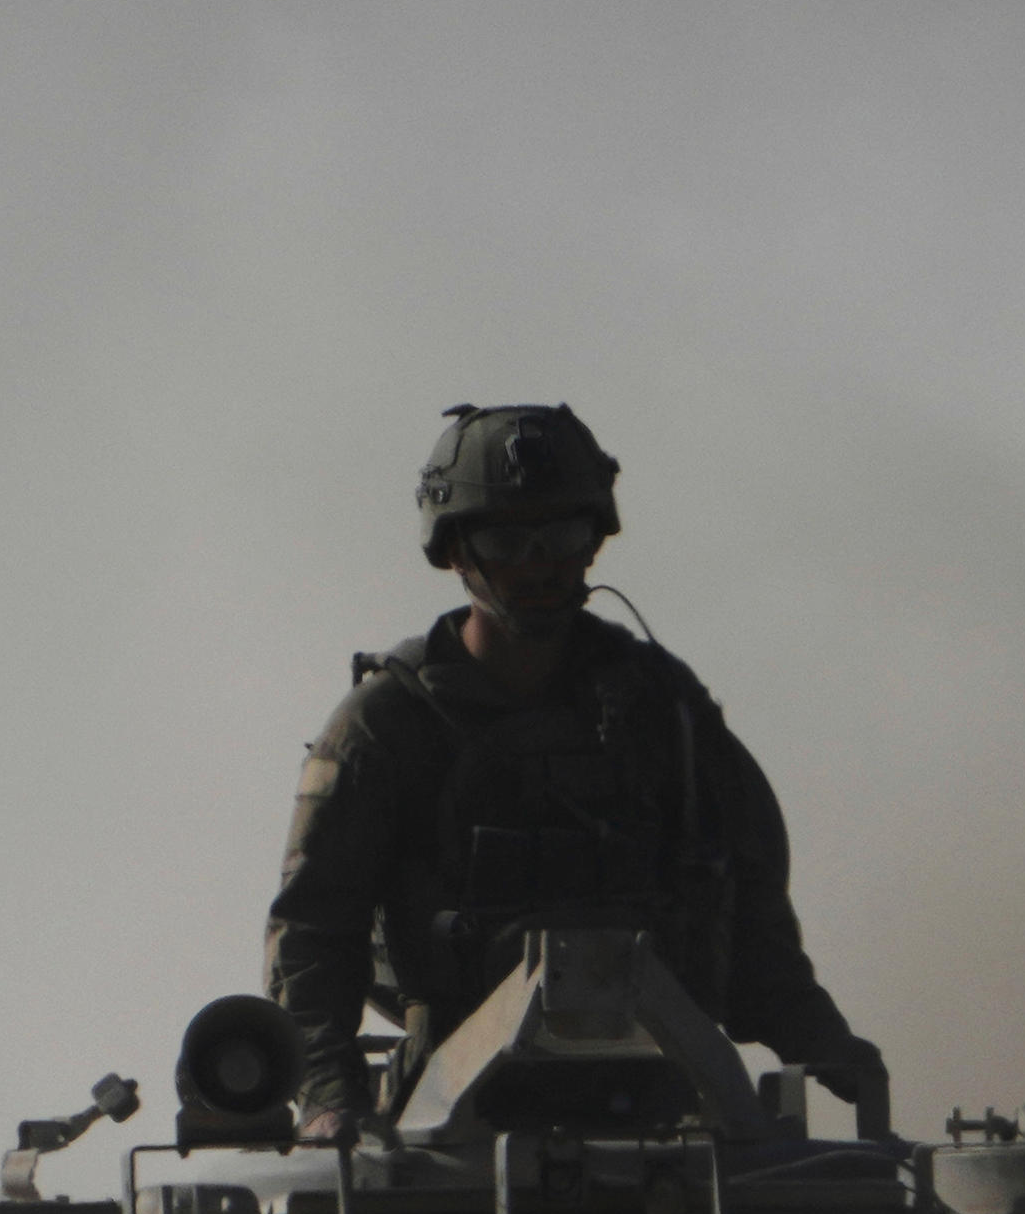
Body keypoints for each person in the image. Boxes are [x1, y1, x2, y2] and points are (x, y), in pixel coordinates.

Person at [264, 403, 885, 1144]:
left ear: (593, 541)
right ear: (456, 550)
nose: (538, 563)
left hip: (669, 1116)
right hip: (451, 1124)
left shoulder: (665, 714)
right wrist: (328, 1095)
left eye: (561, 536)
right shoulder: (387, 729)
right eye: (507, 540)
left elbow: (751, 921)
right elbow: (312, 935)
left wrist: (824, 1045)